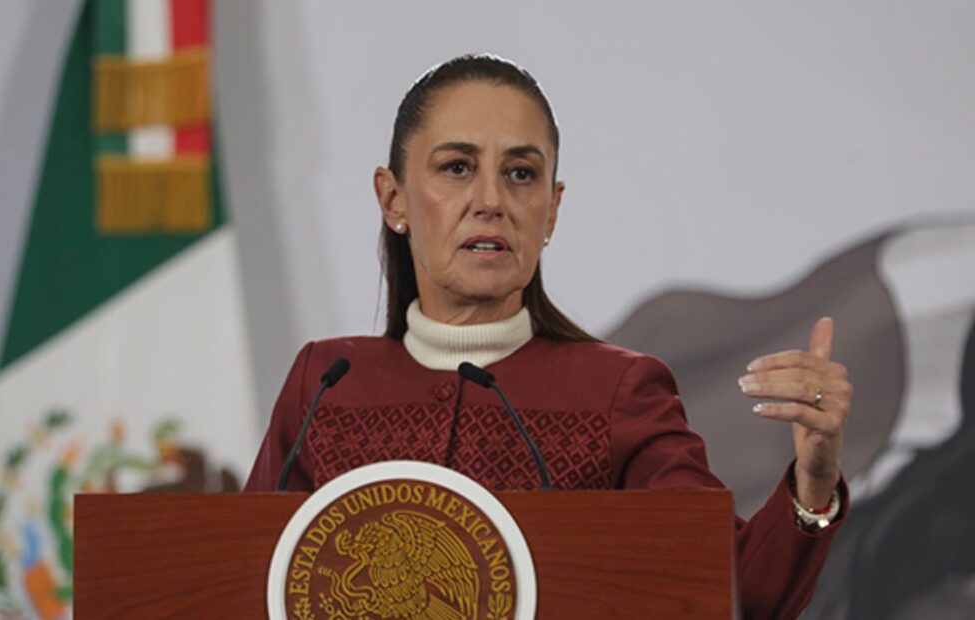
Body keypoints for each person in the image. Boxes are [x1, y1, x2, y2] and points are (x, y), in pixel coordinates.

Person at [245, 54, 852, 619]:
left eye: (520, 174)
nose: (491, 201)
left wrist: (813, 482)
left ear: (552, 210)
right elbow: (239, 582)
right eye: (457, 168)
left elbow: (734, 593)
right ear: (393, 198)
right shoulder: (327, 385)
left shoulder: (617, 391)